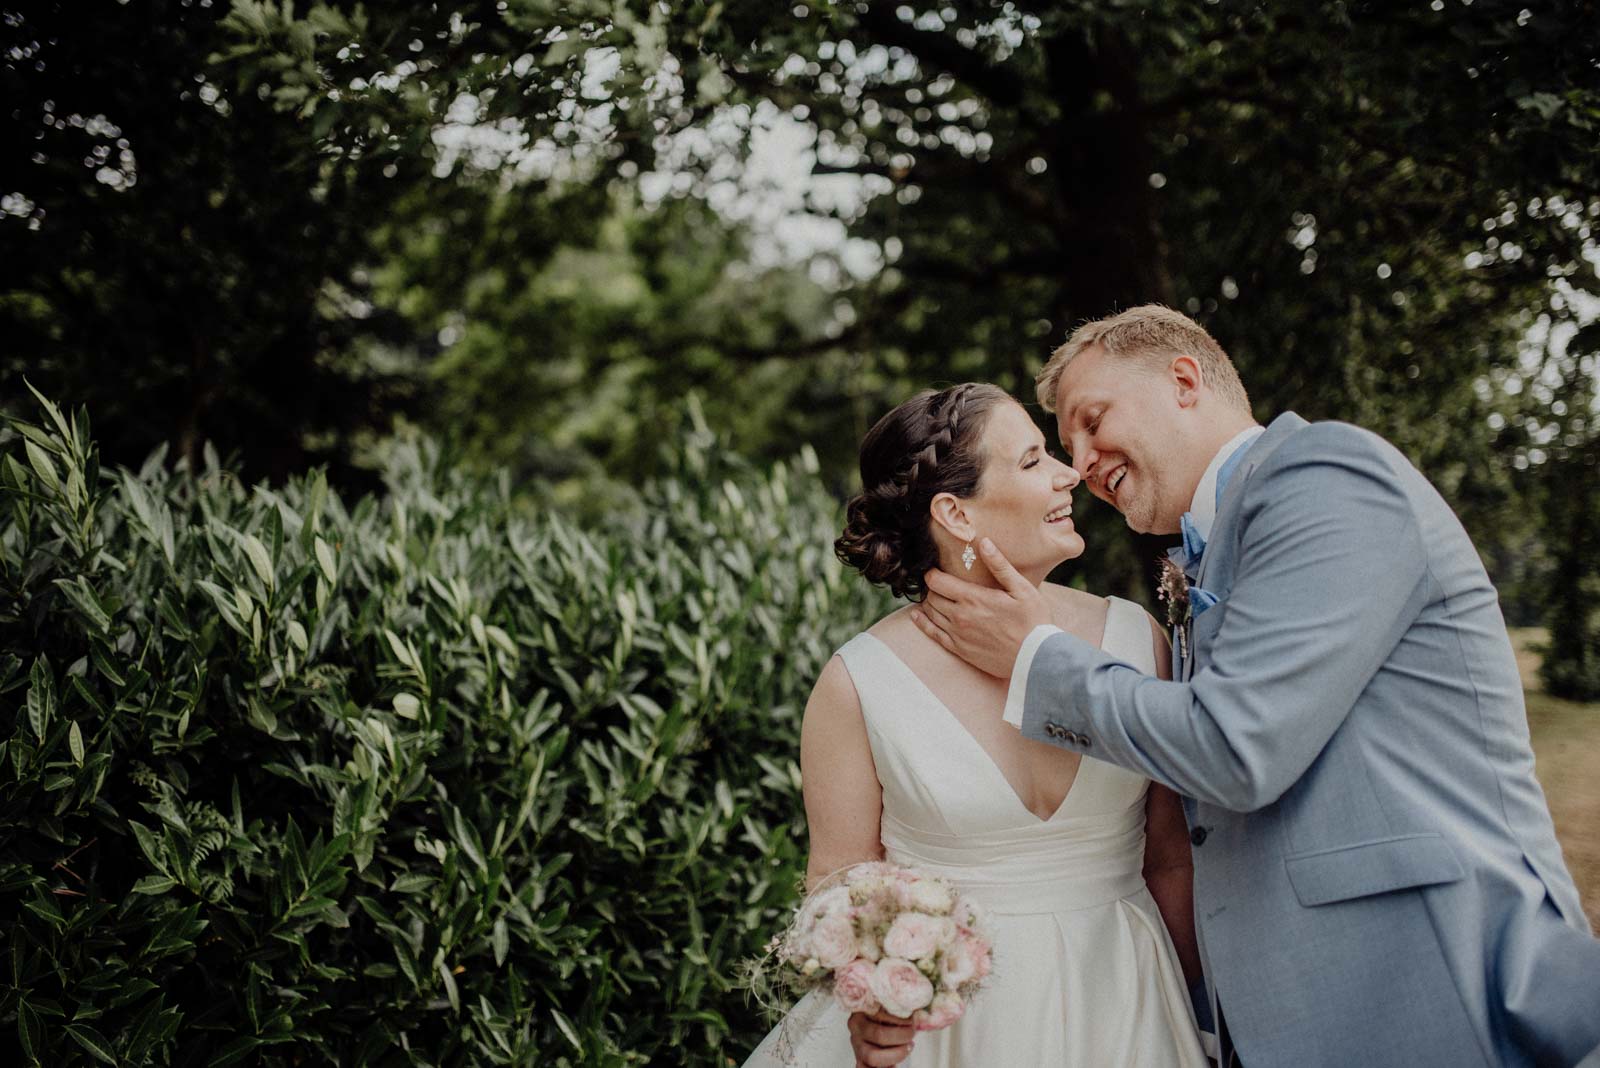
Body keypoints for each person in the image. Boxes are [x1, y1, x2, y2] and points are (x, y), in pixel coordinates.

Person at [906, 305, 1600, 1067]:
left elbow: (1236, 747)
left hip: (1435, 985)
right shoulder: (1210, 553)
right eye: (1061, 443)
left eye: (1091, 420)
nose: (1079, 462)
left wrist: (1036, 658)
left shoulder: (1325, 475)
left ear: (1183, 380)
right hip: (1296, 1013)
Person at [741, 383, 1209, 1068]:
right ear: (955, 513)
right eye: (1031, 461)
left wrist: (1196, 1009)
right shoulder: (859, 683)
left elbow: (1170, 858)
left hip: (1130, 1005)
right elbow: (838, 880)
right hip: (948, 1036)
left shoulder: (1137, 640)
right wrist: (871, 1002)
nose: (1068, 473)